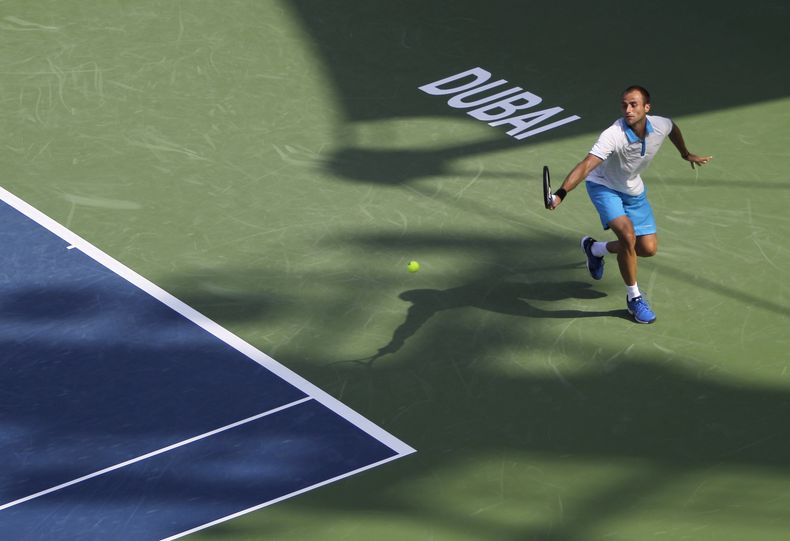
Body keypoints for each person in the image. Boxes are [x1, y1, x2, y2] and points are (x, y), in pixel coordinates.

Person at [548, 86, 712, 324]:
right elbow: (586, 165)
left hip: (633, 189)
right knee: (627, 236)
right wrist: (561, 193)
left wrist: (685, 154)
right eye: (624, 105)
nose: (628, 109)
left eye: (633, 104)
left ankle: (595, 250)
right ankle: (634, 299)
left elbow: (673, 128)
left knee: (646, 248)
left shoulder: (661, 125)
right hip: (603, 186)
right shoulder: (613, 135)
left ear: (647, 108)